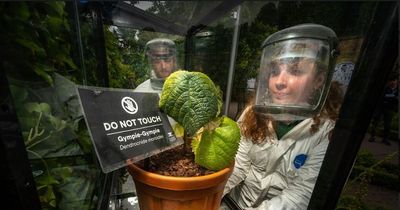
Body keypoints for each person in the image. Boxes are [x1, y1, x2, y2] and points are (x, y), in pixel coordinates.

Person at [222, 24, 343, 210]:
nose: (279, 81)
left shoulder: (327, 132)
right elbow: (237, 165)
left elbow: (300, 196)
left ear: (318, 80)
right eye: (275, 72)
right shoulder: (253, 114)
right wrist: (209, 193)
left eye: (295, 71)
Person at [369, 74, 398, 145]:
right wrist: (393, 97)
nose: (392, 82)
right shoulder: (385, 88)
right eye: (391, 81)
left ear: (396, 81)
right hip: (381, 107)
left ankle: (385, 139)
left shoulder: (397, 89)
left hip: (390, 109)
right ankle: (372, 136)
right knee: (376, 121)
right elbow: (383, 96)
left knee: (387, 124)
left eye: (394, 81)